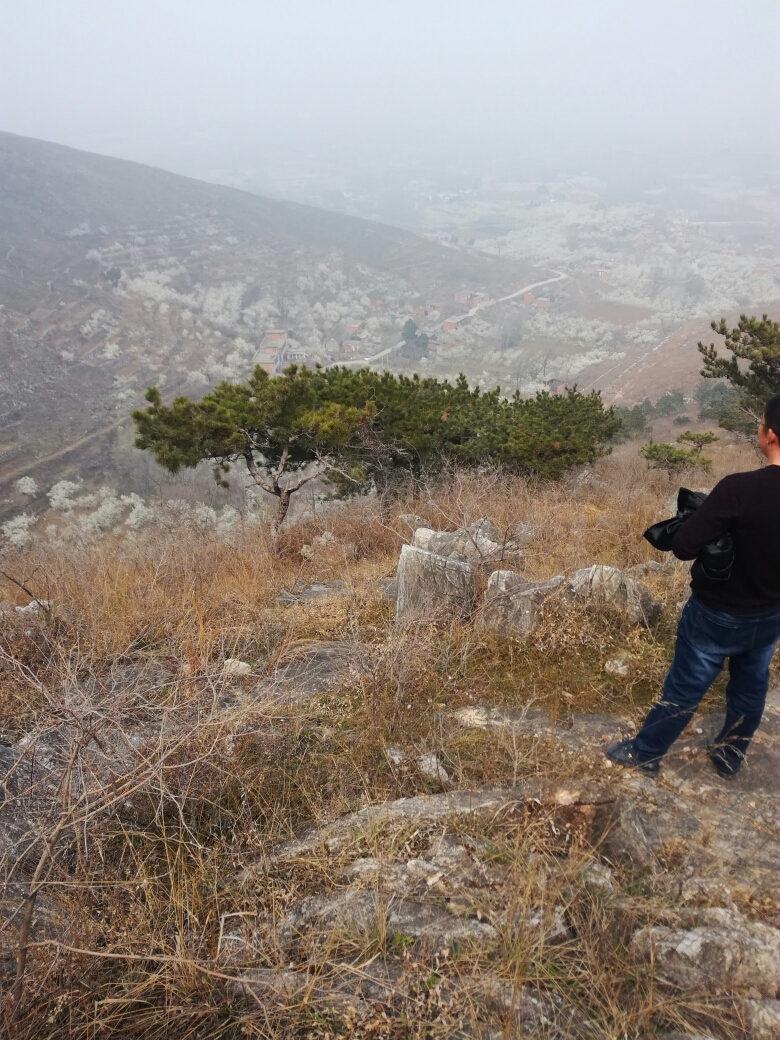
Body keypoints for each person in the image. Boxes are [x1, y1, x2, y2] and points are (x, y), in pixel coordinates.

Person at [606, 392, 780, 778]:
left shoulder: (739, 488)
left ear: (768, 435)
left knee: (686, 685)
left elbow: (684, 547)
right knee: (751, 686)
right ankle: (730, 756)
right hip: (770, 615)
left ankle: (646, 753)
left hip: (717, 614)